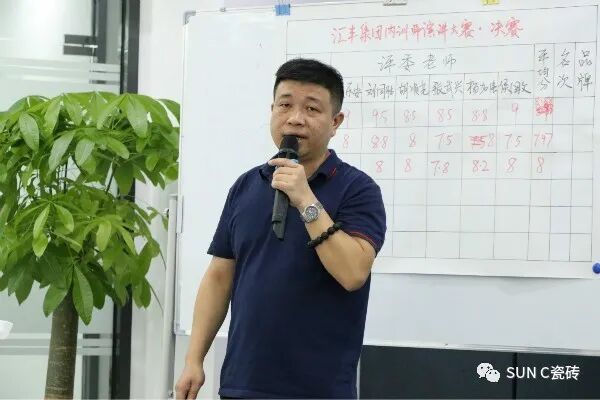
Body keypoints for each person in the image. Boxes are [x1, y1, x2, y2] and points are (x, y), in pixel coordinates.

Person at [175, 58, 386, 399]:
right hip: (242, 383)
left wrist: (305, 199)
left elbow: (353, 273)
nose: (295, 118)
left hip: (317, 389)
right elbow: (219, 276)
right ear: (272, 110)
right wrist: (193, 359)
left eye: (311, 108)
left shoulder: (358, 189)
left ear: (335, 122)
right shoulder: (247, 186)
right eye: (285, 105)